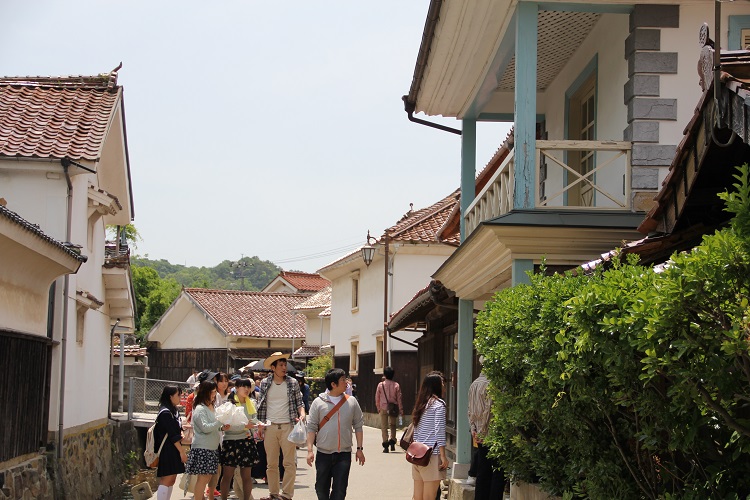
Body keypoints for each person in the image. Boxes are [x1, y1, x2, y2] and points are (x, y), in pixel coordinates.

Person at [306, 368, 365, 500]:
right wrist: (310, 450)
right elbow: (311, 427)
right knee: (321, 489)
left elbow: (358, 425)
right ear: (333, 384)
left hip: (343, 454)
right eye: (343, 380)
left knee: (340, 491)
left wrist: (360, 449)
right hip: (323, 453)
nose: (347, 383)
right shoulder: (318, 402)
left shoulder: (351, 401)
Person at [257, 352, 305, 500]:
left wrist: (302, 414)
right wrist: (260, 424)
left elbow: (299, 403)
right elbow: (261, 405)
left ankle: (287, 494)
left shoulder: (292, 382)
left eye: (285, 365)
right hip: (270, 426)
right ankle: (273, 493)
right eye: (281, 365)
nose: (284, 368)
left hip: (287, 425)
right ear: (273, 367)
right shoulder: (265, 383)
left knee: (289, 463)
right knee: (271, 463)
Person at [185, 380, 231, 500]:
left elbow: (213, 425)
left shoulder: (211, 406)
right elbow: (205, 428)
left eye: (215, 392)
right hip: (203, 448)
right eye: (212, 392)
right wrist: (220, 422)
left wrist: (222, 427)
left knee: (208, 477)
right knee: (203, 478)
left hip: (212, 447)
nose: (214, 395)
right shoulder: (200, 409)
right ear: (205, 393)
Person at [468, 362, 505, 499]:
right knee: (497, 473)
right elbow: (488, 411)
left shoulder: (474, 384)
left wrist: (474, 430)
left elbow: (470, 410)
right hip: (492, 434)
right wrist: (483, 431)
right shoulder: (492, 384)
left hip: (478, 434)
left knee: (483, 471)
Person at [221, 377, 260, 500]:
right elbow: (227, 426)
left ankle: (247, 498)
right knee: (227, 475)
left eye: (248, 386)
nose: (247, 389)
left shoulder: (252, 403)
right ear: (236, 388)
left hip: (246, 440)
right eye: (244, 386)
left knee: (246, 476)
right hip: (231, 441)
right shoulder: (229, 403)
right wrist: (245, 425)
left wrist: (256, 425)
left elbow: (254, 420)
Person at [411, 371, 448, 500]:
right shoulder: (439, 405)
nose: (444, 386)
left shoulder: (421, 405)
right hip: (432, 455)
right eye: (442, 383)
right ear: (436, 386)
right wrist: (443, 456)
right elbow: (439, 430)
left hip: (417, 455)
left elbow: (415, 430)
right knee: (429, 497)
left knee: (417, 497)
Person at [154, 386, 188, 500]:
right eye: (178, 395)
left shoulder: (173, 410)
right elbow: (172, 435)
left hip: (173, 447)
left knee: (172, 479)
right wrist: (182, 452)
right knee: (166, 479)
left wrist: (181, 432)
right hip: (168, 448)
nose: (180, 398)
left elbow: (176, 430)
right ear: (170, 396)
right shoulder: (165, 412)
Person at [375, 366, 403, 452]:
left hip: (383, 407)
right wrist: (401, 409)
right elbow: (399, 398)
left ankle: (385, 445)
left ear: (385, 375)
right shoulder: (396, 385)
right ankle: (393, 442)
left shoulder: (380, 385)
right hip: (393, 408)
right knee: (393, 425)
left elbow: (377, 397)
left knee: (384, 427)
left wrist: (378, 407)